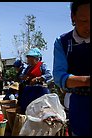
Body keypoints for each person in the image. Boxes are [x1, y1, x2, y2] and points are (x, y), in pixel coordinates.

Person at [53, 1, 90, 136]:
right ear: (72, 17)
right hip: (80, 107)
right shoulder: (63, 42)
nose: (88, 26)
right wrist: (86, 81)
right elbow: (58, 76)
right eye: (83, 20)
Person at [18, 48, 52, 114]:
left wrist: (38, 79)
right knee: (26, 109)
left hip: (40, 91)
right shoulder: (28, 68)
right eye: (28, 57)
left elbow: (49, 75)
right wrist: (24, 77)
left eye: (30, 58)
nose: (28, 59)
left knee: (39, 111)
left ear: (36, 58)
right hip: (29, 92)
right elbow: (21, 76)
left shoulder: (42, 65)